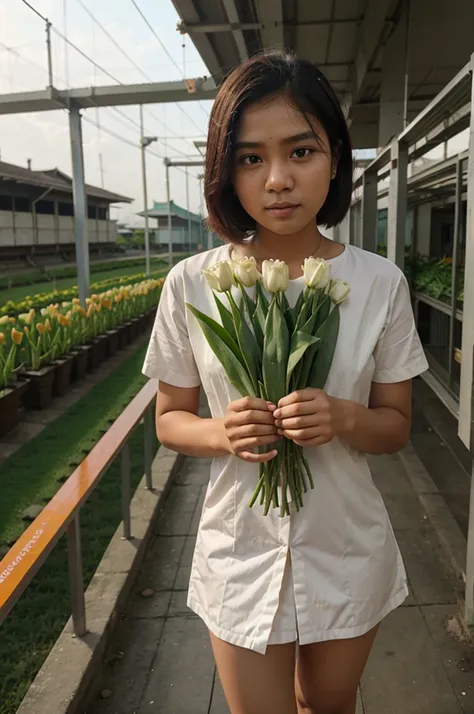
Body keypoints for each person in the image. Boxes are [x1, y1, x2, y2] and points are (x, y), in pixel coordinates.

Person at [142, 50, 428, 714]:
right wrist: (220, 432)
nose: (277, 180)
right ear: (225, 170)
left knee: (328, 705)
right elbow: (169, 419)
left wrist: (344, 418)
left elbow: (395, 426)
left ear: (334, 157)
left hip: (346, 545)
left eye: (300, 152)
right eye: (250, 158)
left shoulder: (378, 282)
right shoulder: (194, 285)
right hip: (240, 552)